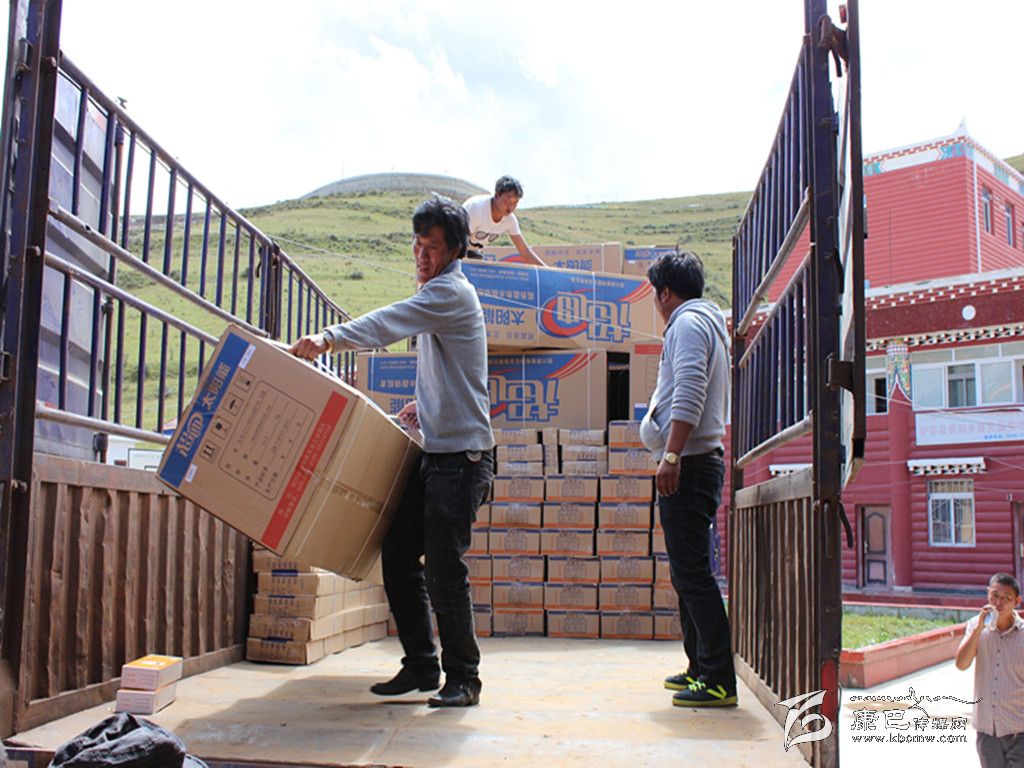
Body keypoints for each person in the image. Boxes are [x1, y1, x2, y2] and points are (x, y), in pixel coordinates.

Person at [290, 195, 494, 708]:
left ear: (455, 251)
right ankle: (422, 665)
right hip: (438, 454)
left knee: (444, 569)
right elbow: (455, 369)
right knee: (399, 553)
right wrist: (425, 405)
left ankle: (464, 679)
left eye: (433, 247)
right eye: (417, 244)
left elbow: (389, 321)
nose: (422, 255)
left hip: (462, 460)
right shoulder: (439, 292)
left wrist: (328, 338)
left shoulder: (449, 292)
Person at [638, 250, 736, 708]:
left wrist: (673, 454)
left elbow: (691, 388)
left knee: (694, 575)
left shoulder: (688, 324)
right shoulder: (699, 322)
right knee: (686, 573)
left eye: (654, 294)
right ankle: (700, 666)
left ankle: (718, 679)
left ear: (665, 293)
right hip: (693, 461)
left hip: (690, 463)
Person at [955, 572, 1024, 767]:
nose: (999, 603)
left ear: (1017, 601)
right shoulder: (975, 627)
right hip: (987, 730)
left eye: (1006, 598)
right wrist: (978, 629)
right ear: (987, 594)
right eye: (995, 596)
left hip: (1019, 730)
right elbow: (961, 664)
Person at [463, 175, 547, 266]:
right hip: (455, 244)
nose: (510, 207)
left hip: (473, 249)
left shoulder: (510, 220)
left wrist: (549, 271)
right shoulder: (477, 209)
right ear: (497, 195)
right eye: (507, 201)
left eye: (515, 203)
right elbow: (460, 242)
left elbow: (525, 251)